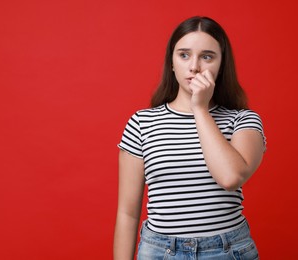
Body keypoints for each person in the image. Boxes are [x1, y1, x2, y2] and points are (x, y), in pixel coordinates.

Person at [113, 16, 266, 260]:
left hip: (227, 251)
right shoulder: (142, 123)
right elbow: (127, 212)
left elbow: (230, 177)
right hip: (159, 251)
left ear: (221, 64)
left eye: (207, 56)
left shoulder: (243, 120)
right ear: (172, 63)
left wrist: (200, 109)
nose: (194, 66)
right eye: (184, 55)